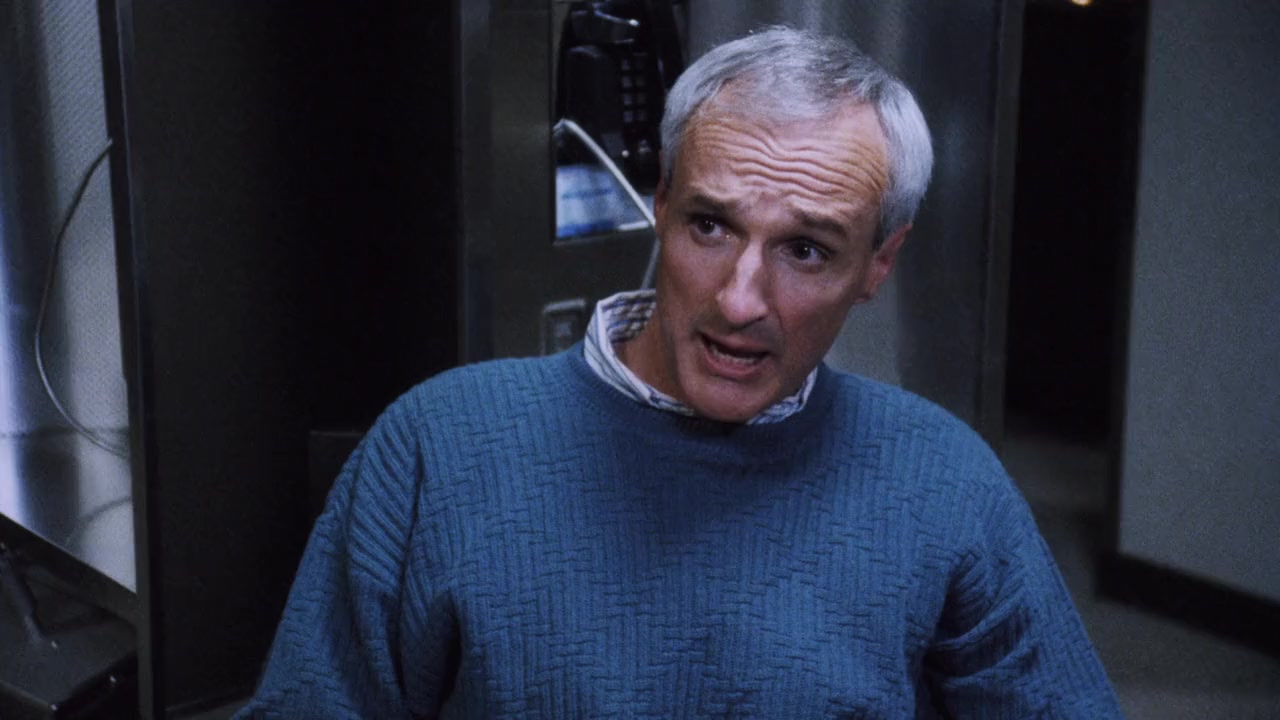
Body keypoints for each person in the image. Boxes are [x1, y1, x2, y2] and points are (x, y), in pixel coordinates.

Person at [235, 26, 1121, 719]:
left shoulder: (943, 479)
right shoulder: (439, 447)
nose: (740, 300)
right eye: (710, 226)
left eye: (806, 250)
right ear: (660, 202)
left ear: (880, 263)